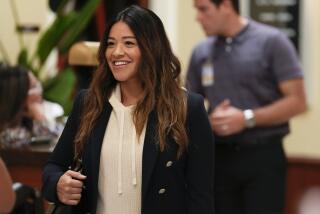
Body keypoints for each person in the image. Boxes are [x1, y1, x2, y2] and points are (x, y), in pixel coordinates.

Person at [42, 5, 214, 214]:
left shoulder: (188, 108)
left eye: (129, 43)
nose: (117, 52)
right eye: (111, 44)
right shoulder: (88, 103)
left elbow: (201, 195)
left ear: (152, 47)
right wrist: (58, 184)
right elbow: (53, 167)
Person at [186, 0, 306, 213]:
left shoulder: (272, 41)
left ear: (225, 6)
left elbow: (297, 101)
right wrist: (208, 120)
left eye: (203, 9)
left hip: (262, 158)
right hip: (218, 158)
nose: (197, 17)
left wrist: (247, 118)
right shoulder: (201, 52)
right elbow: (187, 105)